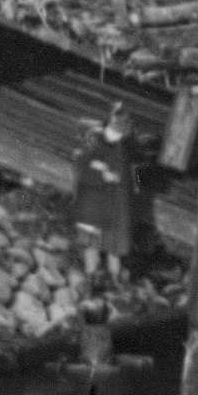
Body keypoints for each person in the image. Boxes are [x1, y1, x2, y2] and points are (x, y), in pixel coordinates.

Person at [71, 104, 135, 283]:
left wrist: (111, 174)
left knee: (111, 243)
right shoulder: (96, 139)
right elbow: (81, 161)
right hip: (95, 198)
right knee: (94, 242)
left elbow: (123, 173)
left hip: (113, 200)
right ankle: (92, 276)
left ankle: (112, 279)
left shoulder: (124, 148)